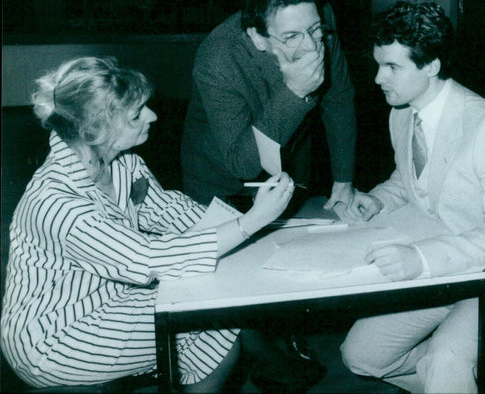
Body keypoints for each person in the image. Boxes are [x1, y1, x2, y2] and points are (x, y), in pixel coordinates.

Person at [0, 56, 301, 392]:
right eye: (136, 114)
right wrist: (251, 222)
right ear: (95, 129)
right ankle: (281, 369)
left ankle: (278, 369)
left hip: (111, 303)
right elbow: (149, 259)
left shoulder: (122, 164)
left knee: (213, 312)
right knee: (214, 317)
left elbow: (171, 210)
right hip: (54, 340)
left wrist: (271, 231)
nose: (153, 116)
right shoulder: (58, 203)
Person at [339, 0, 485, 393]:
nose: (377, 78)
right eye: (378, 64)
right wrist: (377, 200)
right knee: (361, 355)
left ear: (431, 66)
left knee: (447, 359)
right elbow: (410, 180)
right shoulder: (403, 113)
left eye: (392, 67)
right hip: (446, 271)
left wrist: (421, 258)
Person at [181, 0, 357, 212]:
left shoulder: (318, 18)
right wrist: (295, 93)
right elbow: (242, 164)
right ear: (257, 37)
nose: (311, 46)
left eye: (314, 29)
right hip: (221, 184)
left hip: (289, 173)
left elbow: (338, 99)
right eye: (292, 36)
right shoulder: (217, 59)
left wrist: (343, 180)